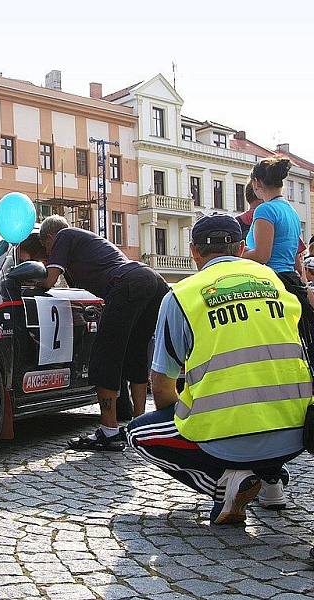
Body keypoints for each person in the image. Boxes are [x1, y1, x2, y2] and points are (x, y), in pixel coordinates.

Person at [128, 215, 310, 523]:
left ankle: (224, 482)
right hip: (297, 435)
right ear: (241, 248)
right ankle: (271, 481)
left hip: (227, 440)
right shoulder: (276, 283)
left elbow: (161, 386)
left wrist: (188, 422)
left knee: (138, 433)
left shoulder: (182, 296)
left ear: (194, 252)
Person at [39, 215, 169, 450]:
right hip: (153, 281)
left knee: (105, 356)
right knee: (135, 352)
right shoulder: (86, 244)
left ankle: (109, 432)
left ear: (50, 238)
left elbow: (49, 281)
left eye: (47, 248)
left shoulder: (63, 236)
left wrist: (33, 278)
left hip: (126, 282)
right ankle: (140, 428)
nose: (49, 253)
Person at [243, 157, 313, 349]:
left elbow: (262, 255)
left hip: (271, 282)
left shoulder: (265, 210)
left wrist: (238, 253)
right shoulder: (290, 210)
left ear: (256, 182)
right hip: (290, 279)